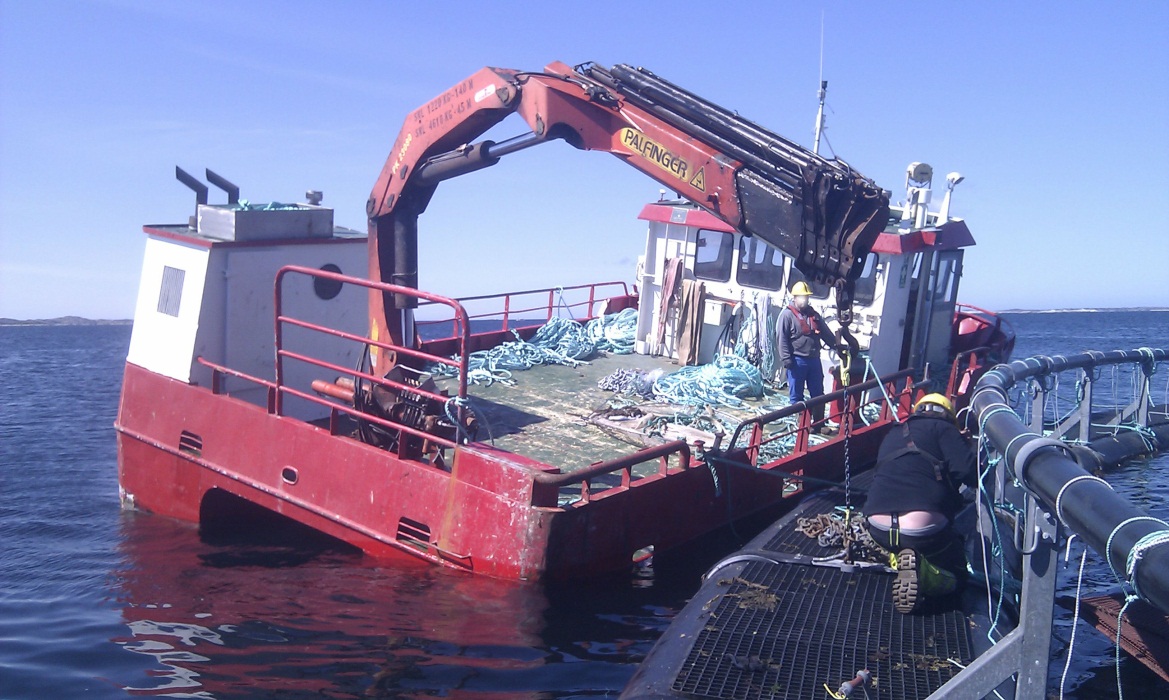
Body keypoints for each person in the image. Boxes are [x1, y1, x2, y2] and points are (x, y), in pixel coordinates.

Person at [864, 393, 978, 614]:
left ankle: (901, 556)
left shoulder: (895, 431)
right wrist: (967, 448)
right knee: (958, 575)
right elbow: (968, 473)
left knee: (900, 540)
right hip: (923, 531)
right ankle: (924, 574)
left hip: (877, 527)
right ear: (949, 417)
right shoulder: (945, 429)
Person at [778, 281, 829, 421]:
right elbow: (781, 338)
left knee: (818, 393)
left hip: (814, 360)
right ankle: (801, 426)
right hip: (797, 361)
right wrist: (786, 359)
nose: (804, 300)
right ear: (794, 297)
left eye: (806, 297)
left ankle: (819, 424)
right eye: (801, 297)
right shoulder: (787, 315)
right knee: (796, 396)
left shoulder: (814, 315)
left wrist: (837, 346)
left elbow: (826, 333)